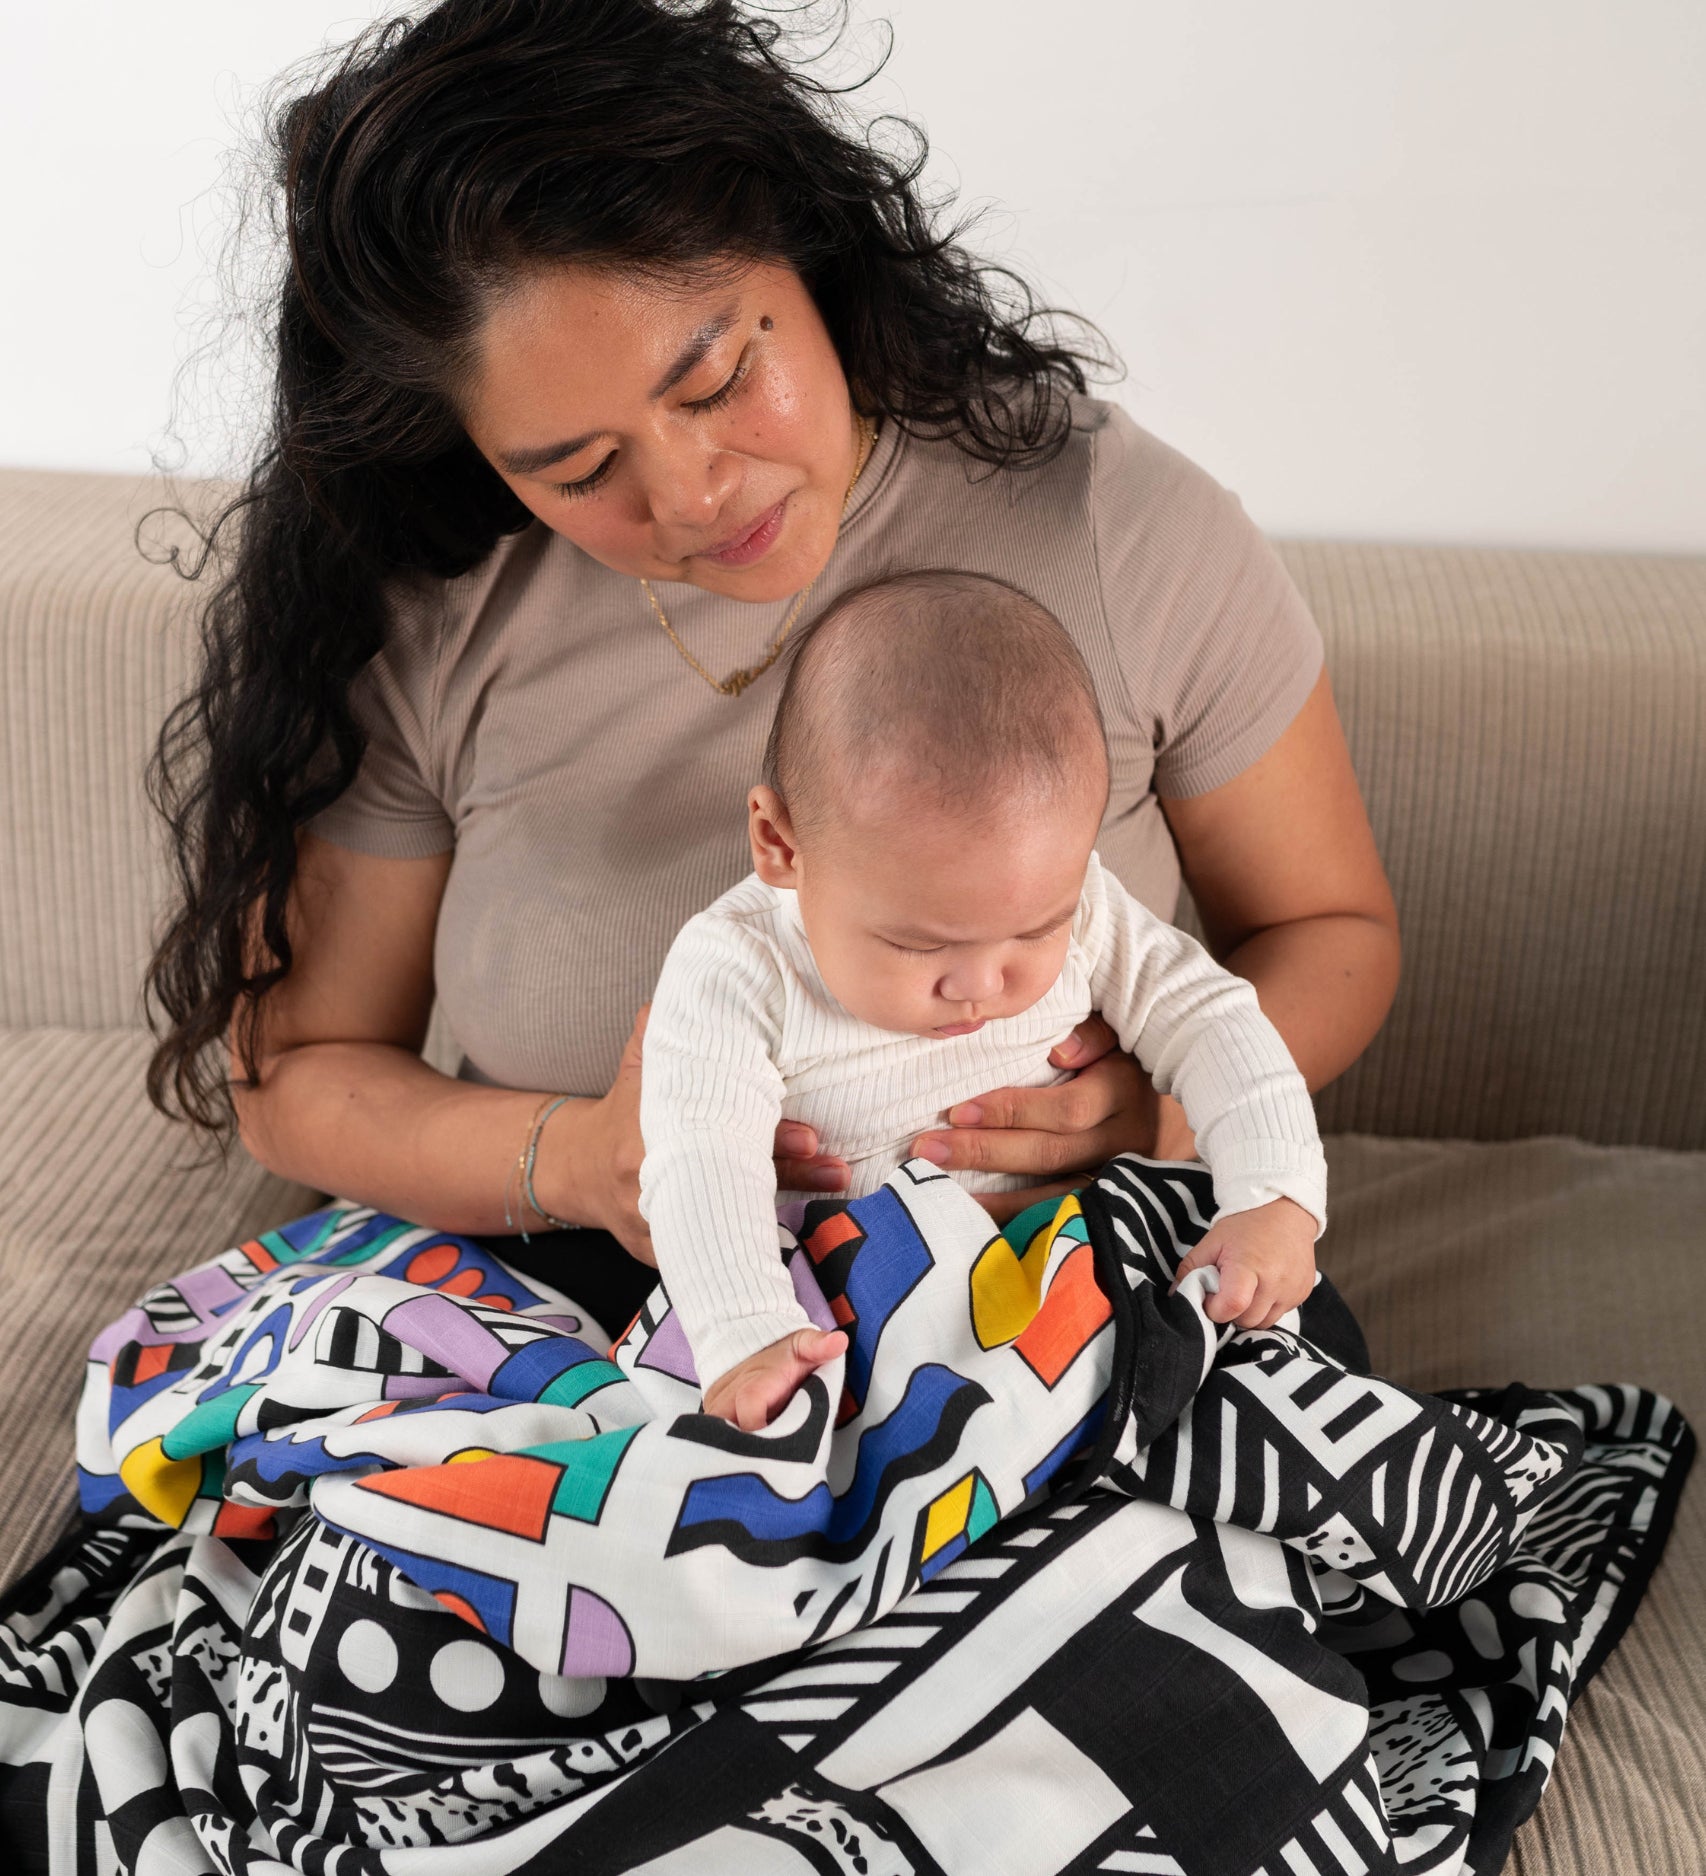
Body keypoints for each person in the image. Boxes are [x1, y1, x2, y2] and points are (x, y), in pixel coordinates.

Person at [143, 0, 1399, 1353]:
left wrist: (1151, 1107)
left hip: (1053, 1280)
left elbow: (1329, 931)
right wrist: (582, 1163)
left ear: (807, 257)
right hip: (589, 1308)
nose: (692, 493)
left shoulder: (1111, 522)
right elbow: (297, 1073)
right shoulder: (432, 608)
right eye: (577, 468)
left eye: (719, 377)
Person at [640, 571, 1327, 1429]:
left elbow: (1212, 1016)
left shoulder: (1092, 911)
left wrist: (1273, 1198)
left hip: (1086, 1271)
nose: (980, 985)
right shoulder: (737, 966)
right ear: (781, 844)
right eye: (920, 944)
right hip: (846, 1320)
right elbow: (701, 1158)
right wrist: (748, 1332)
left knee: (1287, 1359)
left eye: (1035, 929)